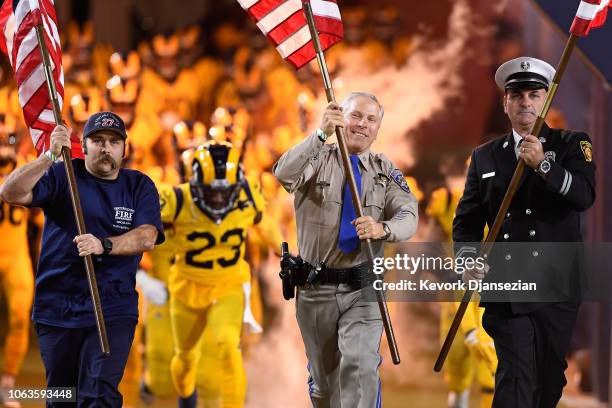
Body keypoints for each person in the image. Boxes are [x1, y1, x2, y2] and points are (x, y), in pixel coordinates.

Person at [453, 57, 596, 407]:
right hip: (507, 286)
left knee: (547, 381)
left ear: (546, 99)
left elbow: (584, 196)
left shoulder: (571, 144)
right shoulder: (485, 157)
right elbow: (467, 222)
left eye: (534, 94)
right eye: (517, 95)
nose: (526, 102)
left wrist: (544, 164)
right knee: (516, 375)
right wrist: (467, 260)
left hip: (556, 285)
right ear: (506, 102)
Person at [0, 111, 165, 407]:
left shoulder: (139, 186)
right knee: (62, 397)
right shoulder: (64, 175)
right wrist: (47, 158)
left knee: (98, 395)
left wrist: (103, 244)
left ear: (124, 148)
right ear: (84, 145)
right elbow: (10, 192)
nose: (105, 147)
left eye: (114, 141)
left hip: (112, 307)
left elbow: (147, 236)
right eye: (97, 140)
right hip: (57, 306)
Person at [273, 91, 418, 407]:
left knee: (359, 367)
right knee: (325, 387)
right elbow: (284, 174)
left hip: (363, 290)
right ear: (340, 116)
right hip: (315, 290)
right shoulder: (318, 157)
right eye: (356, 116)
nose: (363, 125)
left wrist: (384, 228)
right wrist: (320, 133)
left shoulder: (384, 170)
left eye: (371, 119)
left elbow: (409, 214)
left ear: (378, 127)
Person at [158, 140, 266, 408]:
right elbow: (141, 228)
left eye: (225, 191)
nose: (219, 198)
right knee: (184, 357)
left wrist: (283, 249)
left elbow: (267, 224)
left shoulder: (248, 194)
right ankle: (186, 396)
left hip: (228, 284)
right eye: (212, 191)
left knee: (229, 348)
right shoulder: (175, 199)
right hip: (187, 285)